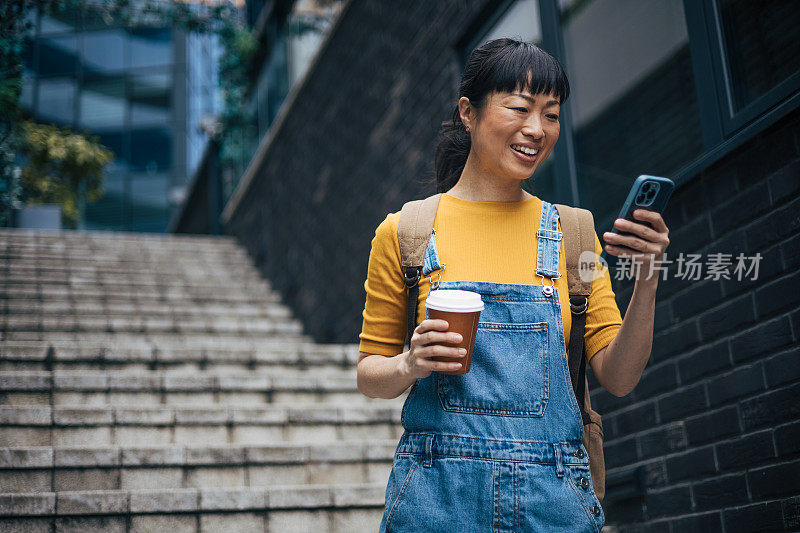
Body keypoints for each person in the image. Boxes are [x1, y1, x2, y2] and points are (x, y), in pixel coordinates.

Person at [356, 38, 670, 532]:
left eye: (551, 114)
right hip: (438, 499)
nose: (536, 130)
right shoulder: (406, 232)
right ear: (468, 112)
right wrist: (409, 363)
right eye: (520, 108)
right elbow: (369, 372)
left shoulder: (577, 235)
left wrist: (648, 279)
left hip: (554, 501)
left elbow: (619, 376)